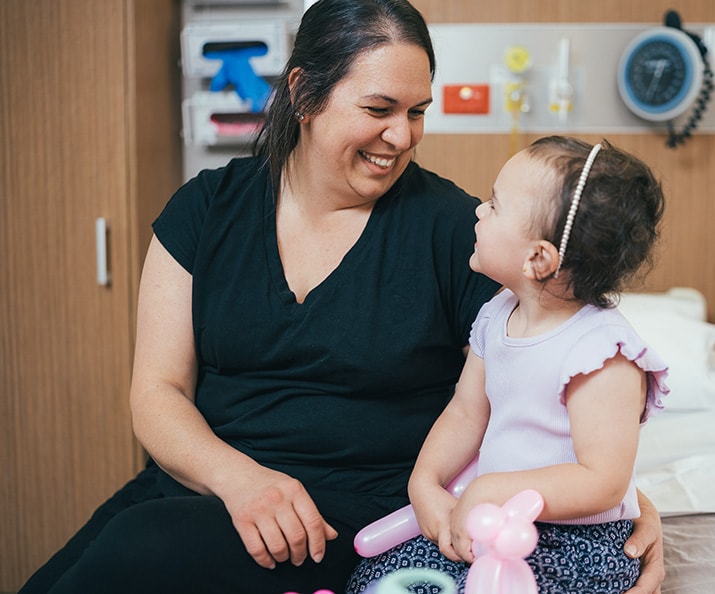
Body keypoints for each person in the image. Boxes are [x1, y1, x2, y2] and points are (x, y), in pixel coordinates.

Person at [18, 1, 665, 593]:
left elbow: (560, 359)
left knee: (137, 549)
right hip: (200, 488)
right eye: (378, 109)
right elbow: (156, 392)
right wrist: (238, 480)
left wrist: (615, 505)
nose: (403, 136)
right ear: (303, 93)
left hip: (344, 515)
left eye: (417, 113)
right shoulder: (205, 211)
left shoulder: (452, 232)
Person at [348, 136, 668, 593]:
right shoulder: (497, 315)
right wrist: (426, 483)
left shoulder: (601, 352)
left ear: (538, 257)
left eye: (495, 205)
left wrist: (492, 489)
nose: (478, 210)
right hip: (493, 519)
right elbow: (464, 412)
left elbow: (604, 482)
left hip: (576, 541)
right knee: (378, 578)